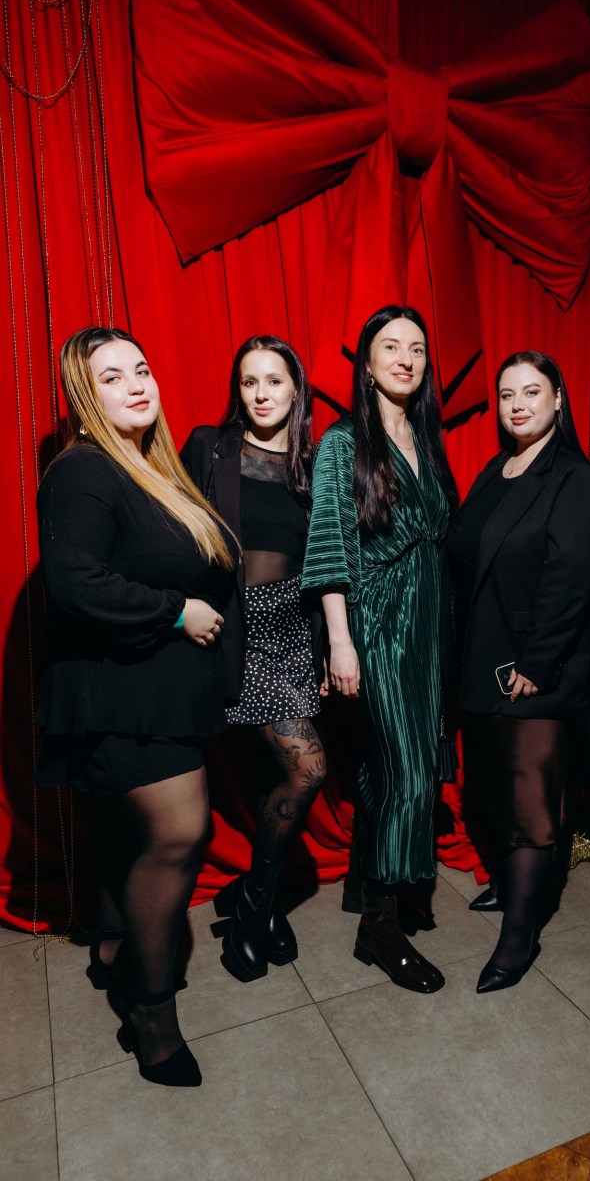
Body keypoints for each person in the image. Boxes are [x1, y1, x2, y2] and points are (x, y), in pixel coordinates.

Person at [35, 327, 238, 1087]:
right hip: (117, 696)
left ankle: (115, 946)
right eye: (112, 377)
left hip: (154, 693)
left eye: (142, 369)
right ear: (85, 396)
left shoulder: (150, 468)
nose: (136, 384)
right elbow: (74, 581)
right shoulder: (83, 468)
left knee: (128, 830)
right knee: (181, 833)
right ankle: (151, 1019)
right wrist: (177, 612)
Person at [301, 305, 457, 993]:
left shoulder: (426, 437)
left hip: (427, 623)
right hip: (378, 621)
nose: (404, 358)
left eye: (416, 348)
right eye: (390, 346)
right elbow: (329, 547)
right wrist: (341, 643)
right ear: (366, 363)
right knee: (408, 770)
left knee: (390, 763)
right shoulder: (343, 443)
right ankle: (381, 926)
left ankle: (372, 882)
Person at [447, 351, 590, 992]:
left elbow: (571, 580)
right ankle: (511, 889)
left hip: (536, 670)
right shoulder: (498, 468)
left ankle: (521, 934)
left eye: (532, 392)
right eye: (507, 394)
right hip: (482, 663)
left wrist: (538, 663)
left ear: (558, 398)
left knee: (532, 802)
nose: (517, 405)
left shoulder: (573, 478)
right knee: (494, 788)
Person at [181, 335, 327, 983]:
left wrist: (331, 644)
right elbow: (175, 532)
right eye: (249, 382)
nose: (261, 394)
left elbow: (327, 560)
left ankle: (252, 902)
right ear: (236, 389)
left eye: (274, 380)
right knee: (307, 767)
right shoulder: (209, 448)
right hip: (240, 630)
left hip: (294, 629)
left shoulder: (312, 465)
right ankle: (255, 907)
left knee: (282, 772)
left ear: (296, 389)